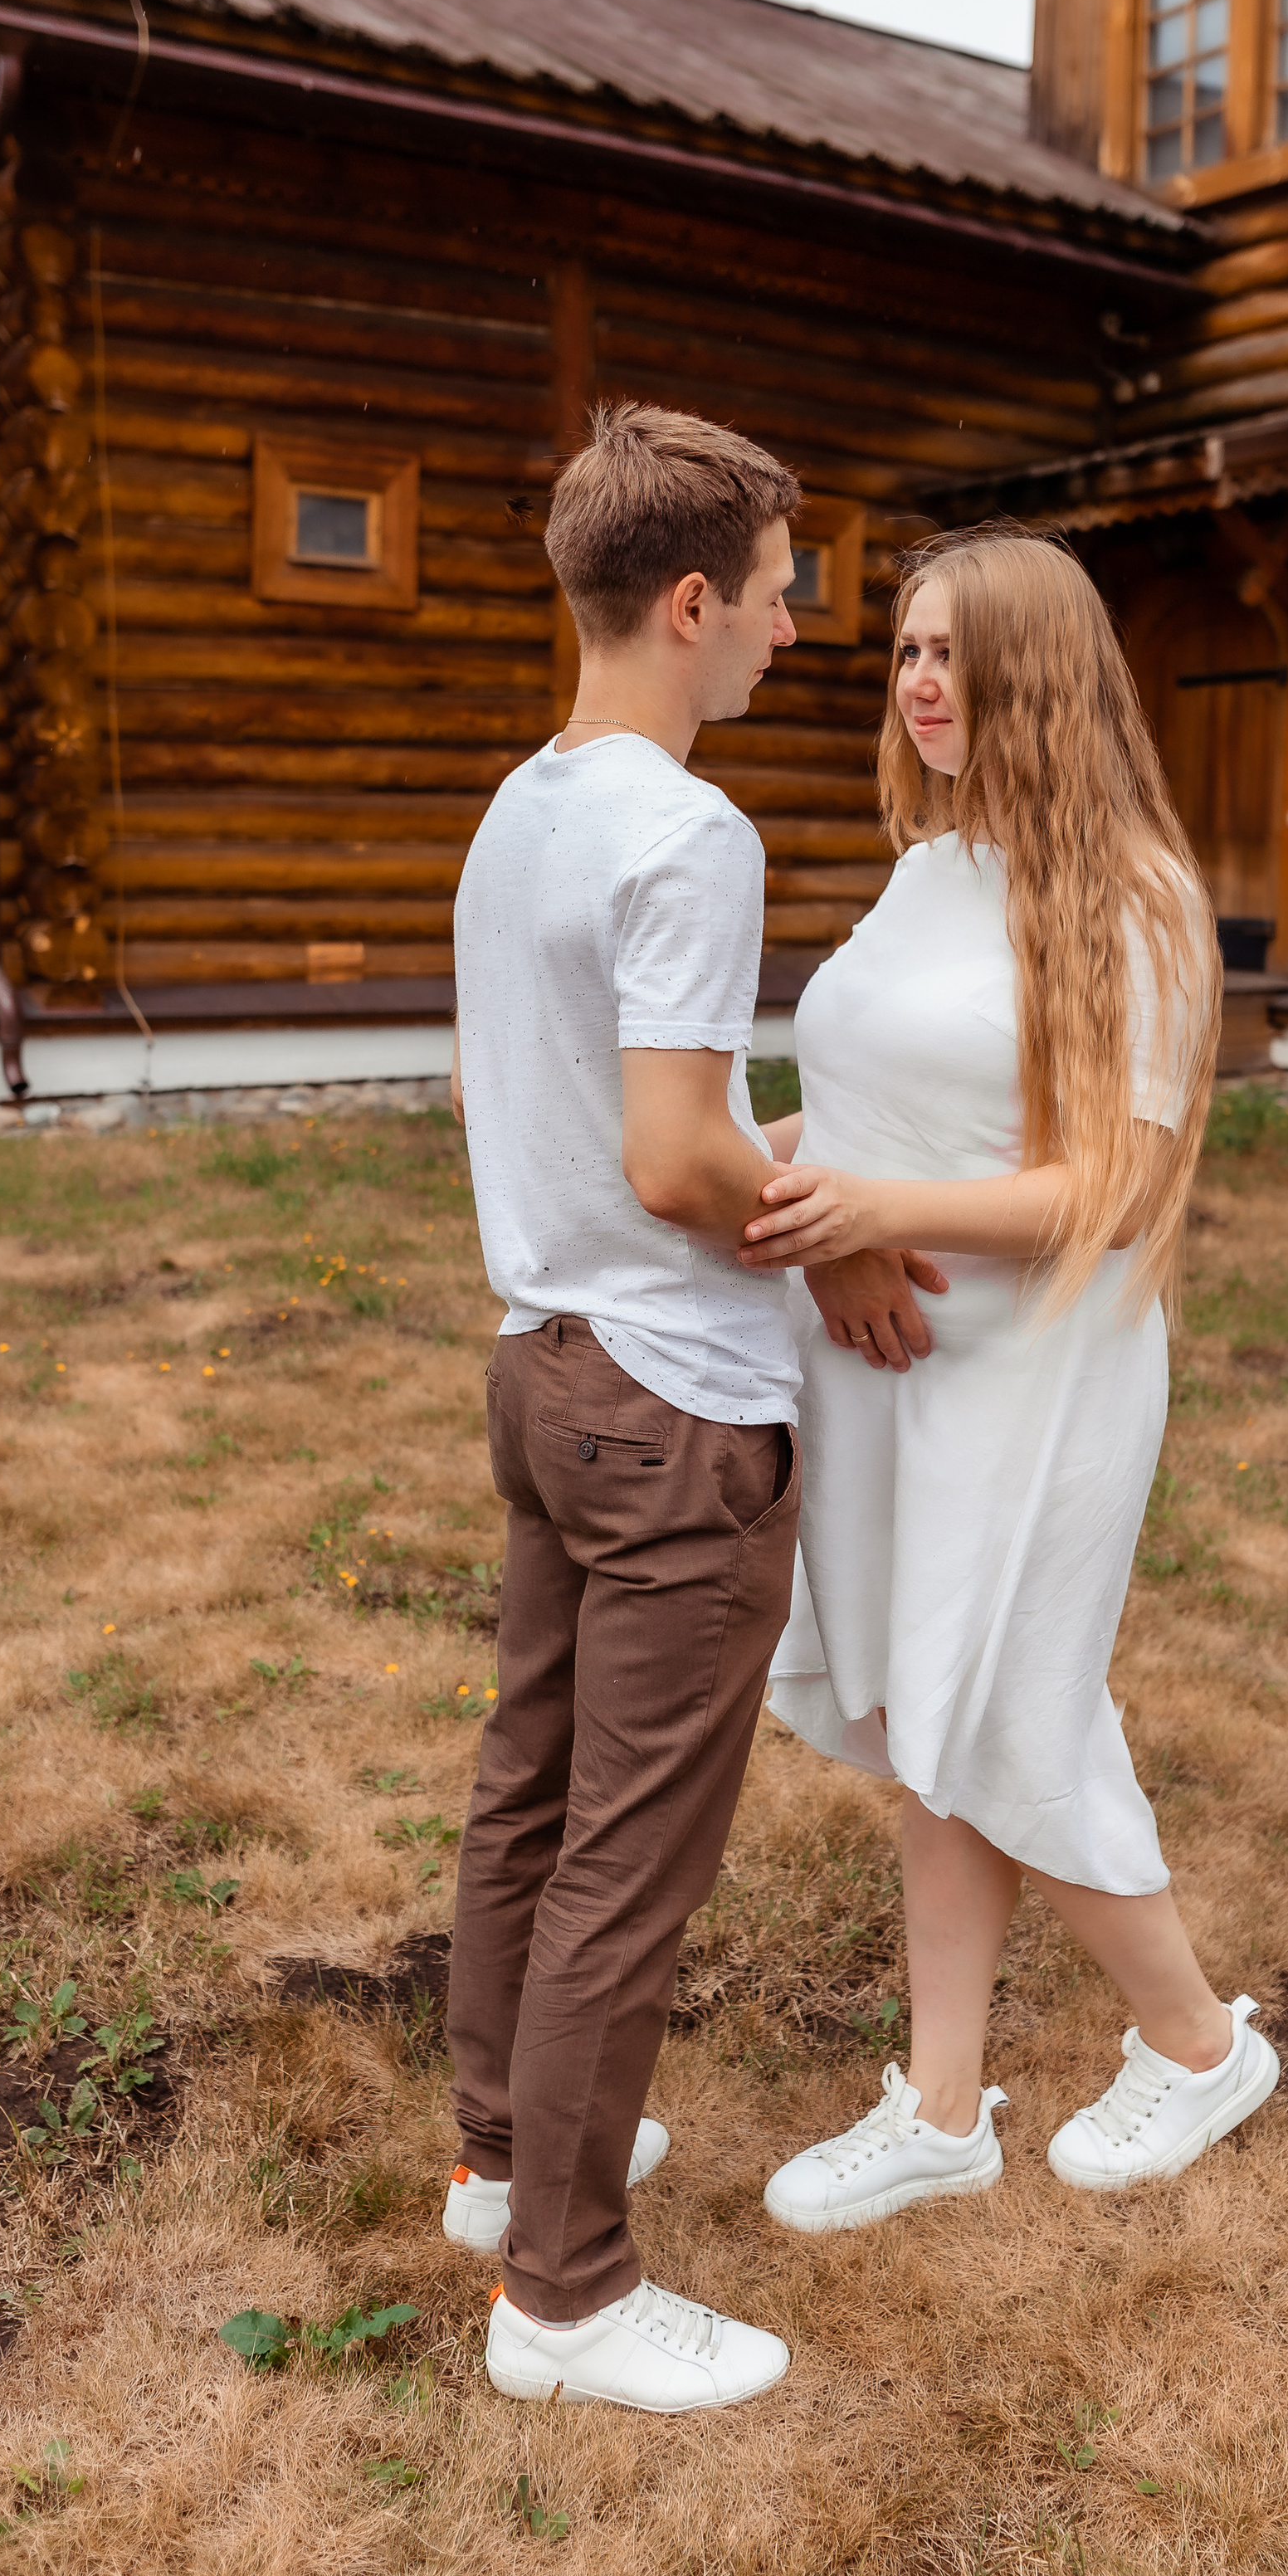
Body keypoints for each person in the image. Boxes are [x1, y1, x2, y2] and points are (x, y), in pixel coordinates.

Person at [445, 401, 938, 2410]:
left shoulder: (522, 804)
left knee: (530, 1793)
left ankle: (500, 2163)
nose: (797, 638)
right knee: (623, 1861)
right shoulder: (685, 827)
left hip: (542, 1369)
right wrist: (825, 1232)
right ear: (685, 600)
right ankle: (563, 2299)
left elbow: (551, 1099)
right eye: (779, 604)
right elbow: (669, 1157)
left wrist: (747, 1140)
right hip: (665, 1410)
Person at [741, 524, 1281, 2232]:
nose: (914, 681)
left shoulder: (1134, 905)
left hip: (1036, 1374)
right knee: (924, 1723)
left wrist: (868, 1211)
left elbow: (1112, 1194)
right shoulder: (925, 872)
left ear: (1039, 672)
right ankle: (944, 2106)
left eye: (951, 653)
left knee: (1015, 1716)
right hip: (877, 1367)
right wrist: (716, 1169)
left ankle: (1196, 2050)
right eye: (901, 650)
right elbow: (854, 1112)